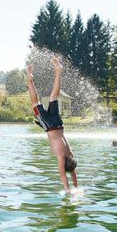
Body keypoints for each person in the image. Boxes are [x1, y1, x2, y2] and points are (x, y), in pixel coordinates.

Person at [27, 57, 78, 195]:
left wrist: (76, 186)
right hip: (49, 126)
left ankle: (58, 71)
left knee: (53, 97)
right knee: (35, 103)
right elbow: (63, 176)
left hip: (59, 125)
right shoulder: (62, 156)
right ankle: (30, 79)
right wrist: (69, 191)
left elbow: (73, 172)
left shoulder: (69, 153)